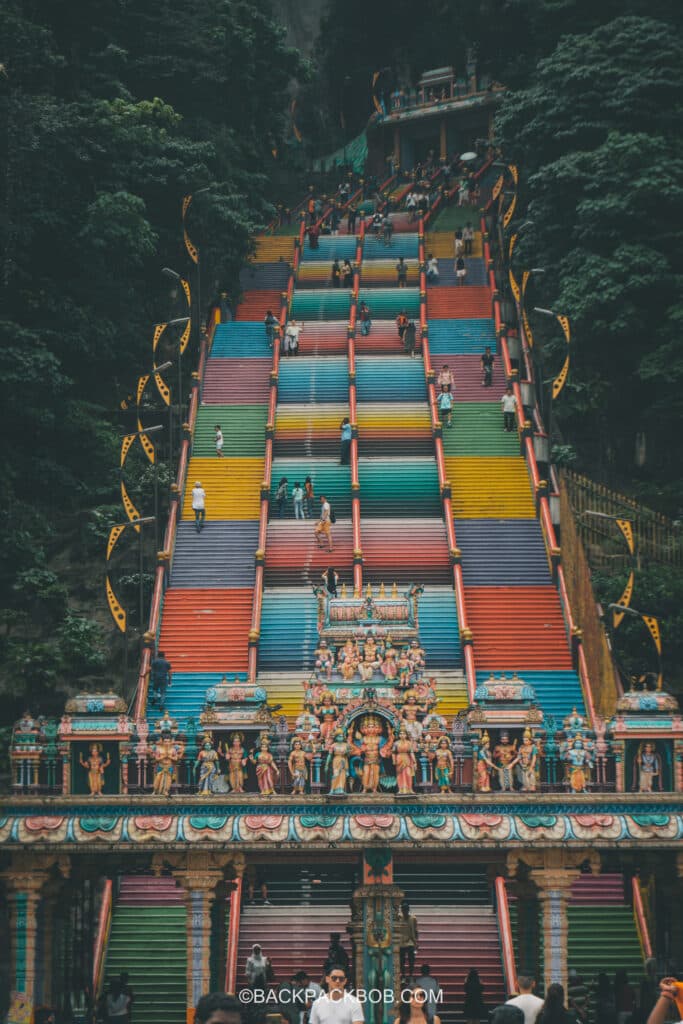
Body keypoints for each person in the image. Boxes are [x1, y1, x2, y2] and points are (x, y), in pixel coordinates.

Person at [398, 900, 419, 978]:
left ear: (408, 910)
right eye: (403, 909)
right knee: (401, 961)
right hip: (401, 942)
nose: (404, 911)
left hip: (410, 942)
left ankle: (410, 975)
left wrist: (416, 942)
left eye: (406, 909)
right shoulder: (399, 917)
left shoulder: (413, 918)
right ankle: (403, 975)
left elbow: (415, 930)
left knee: (411, 960)